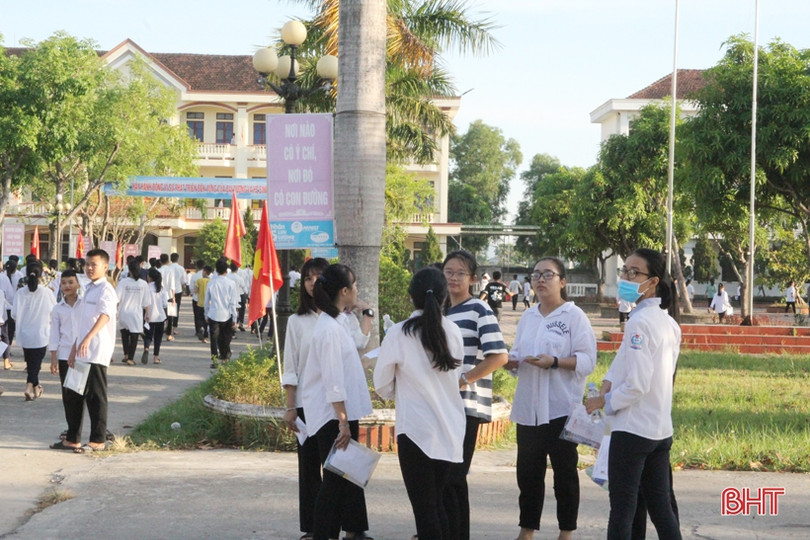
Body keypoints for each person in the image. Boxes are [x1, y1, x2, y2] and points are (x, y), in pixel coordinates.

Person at [585, 248, 682, 540]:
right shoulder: (668, 322)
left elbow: (638, 384)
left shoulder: (640, 323)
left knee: (623, 513)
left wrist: (604, 402)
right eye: (624, 271)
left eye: (633, 272)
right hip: (659, 430)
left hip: (634, 431)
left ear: (652, 281)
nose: (626, 277)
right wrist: (607, 381)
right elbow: (625, 362)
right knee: (661, 510)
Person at [507, 257, 597, 540]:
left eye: (548, 274)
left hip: (561, 408)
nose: (541, 280)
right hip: (528, 408)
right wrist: (512, 362)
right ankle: (527, 529)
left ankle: (566, 531)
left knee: (565, 475)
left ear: (563, 282)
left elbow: (587, 360)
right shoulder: (528, 316)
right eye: (536, 275)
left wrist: (555, 361)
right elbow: (519, 351)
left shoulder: (574, 316)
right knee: (528, 473)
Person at [374, 266, 465, 540]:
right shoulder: (454, 331)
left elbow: (382, 384)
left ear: (411, 296)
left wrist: (399, 389)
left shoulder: (400, 333)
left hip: (415, 431)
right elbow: (456, 375)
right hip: (450, 429)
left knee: (425, 510)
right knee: (437, 505)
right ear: (444, 296)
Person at [302, 263, 373, 540]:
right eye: (354, 287)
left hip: (340, 414)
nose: (356, 291)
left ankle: (340, 531)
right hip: (333, 417)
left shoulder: (336, 322)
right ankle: (323, 534)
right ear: (344, 291)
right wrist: (343, 422)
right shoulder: (329, 329)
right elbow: (333, 380)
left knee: (341, 480)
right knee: (333, 482)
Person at [441, 250, 508, 540]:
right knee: (442, 476)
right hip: (441, 405)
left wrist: (464, 379)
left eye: (460, 273)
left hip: (466, 405)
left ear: (472, 278)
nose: (453, 278)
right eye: (448, 272)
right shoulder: (441, 311)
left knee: (454, 477)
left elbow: (499, 356)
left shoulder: (480, 310)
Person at [282, 257, 330, 540]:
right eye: (308, 279)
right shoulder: (297, 322)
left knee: (341, 468)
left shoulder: (341, 317)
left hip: (338, 404)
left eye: (318, 278)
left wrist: (366, 314)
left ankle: (353, 526)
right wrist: (291, 406)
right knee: (310, 468)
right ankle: (313, 528)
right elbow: (291, 366)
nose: (313, 284)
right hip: (307, 404)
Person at [65, 249, 118, 453]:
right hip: (83, 350)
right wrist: (74, 348)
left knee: (96, 396)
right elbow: (84, 322)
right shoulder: (88, 288)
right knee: (75, 393)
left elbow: (105, 316)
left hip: (96, 349)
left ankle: (98, 439)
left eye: (93, 264)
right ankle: (73, 438)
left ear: (105, 267)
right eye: (87, 264)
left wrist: (87, 339)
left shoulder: (106, 290)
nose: (89, 268)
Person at [12, 261, 57, 400]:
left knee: (31, 362)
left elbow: (14, 314)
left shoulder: (20, 292)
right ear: (41, 274)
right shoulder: (46, 292)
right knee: (35, 363)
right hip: (41, 333)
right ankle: (28, 387)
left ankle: (36, 388)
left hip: (25, 333)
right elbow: (54, 311)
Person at [48, 270, 80, 446]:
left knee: (81, 396)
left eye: (71, 282)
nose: (67, 286)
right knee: (68, 396)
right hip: (64, 356)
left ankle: (78, 434)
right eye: (64, 283)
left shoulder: (85, 305)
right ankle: (72, 433)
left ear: (78, 284)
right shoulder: (58, 309)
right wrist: (53, 358)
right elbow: (54, 335)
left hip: (83, 356)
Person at [116, 259, 151, 366]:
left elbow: (116, 298)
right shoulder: (143, 284)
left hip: (123, 312)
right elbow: (147, 302)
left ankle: (126, 355)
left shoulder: (123, 282)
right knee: (134, 335)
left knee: (125, 334)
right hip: (136, 313)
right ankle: (131, 358)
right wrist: (148, 314)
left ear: (129, 270)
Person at [204, 258, 238, 369]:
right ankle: (224, 357)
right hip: (227, 314)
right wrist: (235, 318)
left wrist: (206, 314)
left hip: (213, 313)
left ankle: (215, 360)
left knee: (214, 338)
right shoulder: (231, 284)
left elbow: (206, 300)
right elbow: (233, 302)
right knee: (225, 337)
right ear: (226, 270)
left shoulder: (211, 283)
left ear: (216, 270)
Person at [144, 268, 169, 365]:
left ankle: (146, 348)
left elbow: (144, 303)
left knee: (148, 335)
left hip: (149, 316)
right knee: (158, 338)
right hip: (160, 316)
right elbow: (165, 304)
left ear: (150, 277)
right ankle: (156, 357)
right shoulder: (161, 288)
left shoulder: (147, 287)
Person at [195, 266, 212, 343]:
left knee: (199, 318)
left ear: (205, 272)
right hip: (208, 304)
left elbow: (195, 291)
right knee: (206, 321)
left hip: (200, 303)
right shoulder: (211, 281)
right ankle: (205, 337)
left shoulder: (199, 280)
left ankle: (200, 328)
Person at [189, 259, 205, 339]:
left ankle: (198, 330)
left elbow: (191, 287)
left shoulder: (194, 276)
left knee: (197, 315)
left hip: (196, 298)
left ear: (197, 267)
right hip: (206, 299)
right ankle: (205, 329)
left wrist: (193, 293)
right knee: (205, 315)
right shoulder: (210, 275)